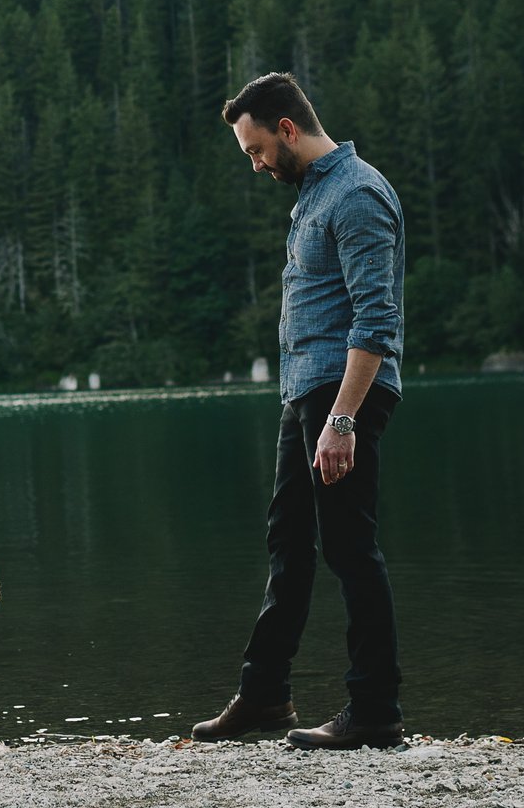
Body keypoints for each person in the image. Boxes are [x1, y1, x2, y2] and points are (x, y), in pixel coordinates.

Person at [192, 72, 408, 752]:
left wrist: (342, 419)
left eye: (257, 149)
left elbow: (376, 321)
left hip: (344, 394)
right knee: (289, 546)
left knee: (350, 549)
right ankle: (263, 696)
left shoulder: (359, 194)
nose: (256, 165)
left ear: (288, 129)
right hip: (305, 391)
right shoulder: (312, 194)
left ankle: (374, 710)